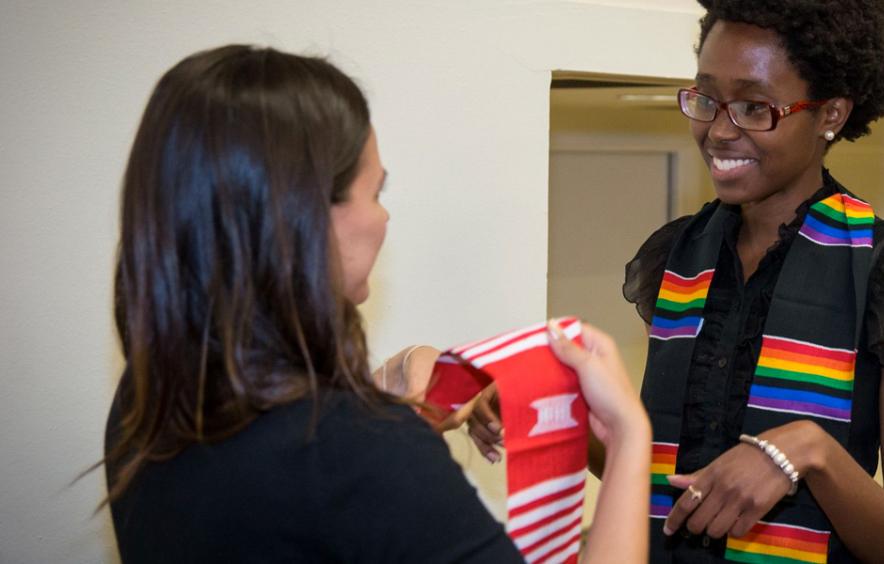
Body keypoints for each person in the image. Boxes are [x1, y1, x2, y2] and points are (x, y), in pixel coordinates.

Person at [103, 44, 651, 563]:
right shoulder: (360, 454)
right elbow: (342, 471)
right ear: (306, 218)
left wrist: (389, 393)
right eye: (375, 193)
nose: (383, 218)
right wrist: (628, 440)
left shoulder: (150, 400)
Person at [472, 1, 884, 562]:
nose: (718, 130)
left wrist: (811, 452)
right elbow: (650, 476)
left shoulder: (873, 267)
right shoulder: (679, 254)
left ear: (831, 115)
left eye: (753, 106)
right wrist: (538, 407)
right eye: (706, 98)